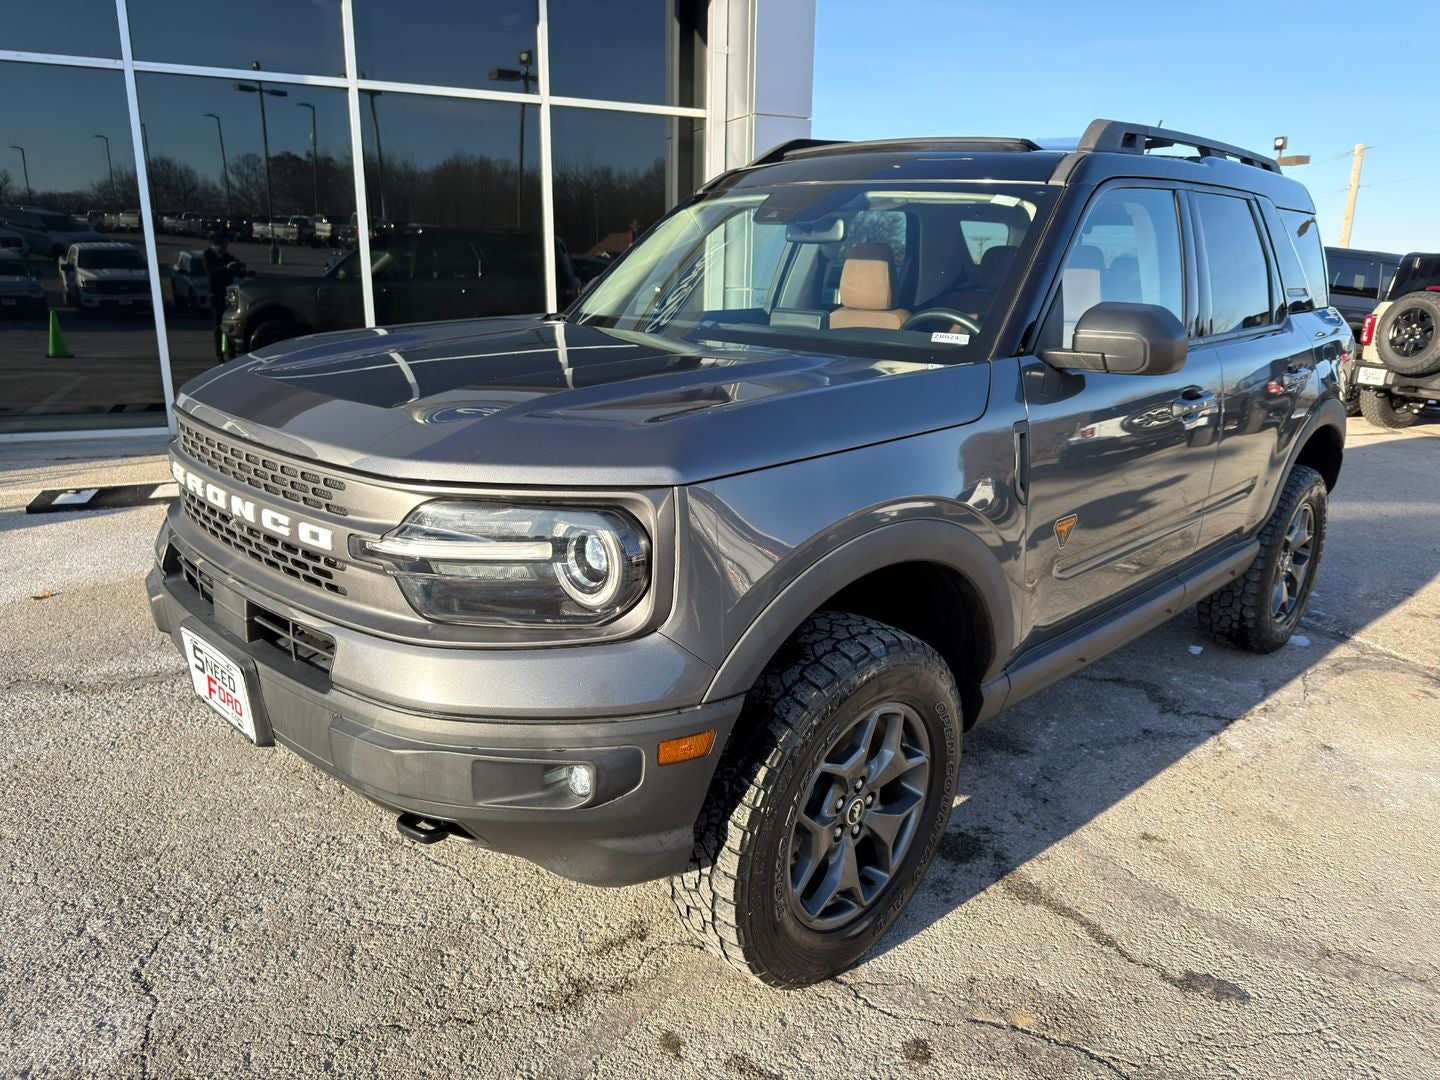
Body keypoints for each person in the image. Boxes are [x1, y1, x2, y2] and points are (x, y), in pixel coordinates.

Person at [202, 233, 244, 360]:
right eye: (223, 244)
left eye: (226, 244)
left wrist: (241, 269)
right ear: (217, 244)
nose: (225, 247)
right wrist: (226, 267)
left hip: (228, 295)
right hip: (215, 294)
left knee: (230, 325)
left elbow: (236, 270)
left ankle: (231, 353)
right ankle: (219, 354)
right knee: (218, 326)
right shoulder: (208, 255)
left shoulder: (227, 256)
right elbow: (211, 271)